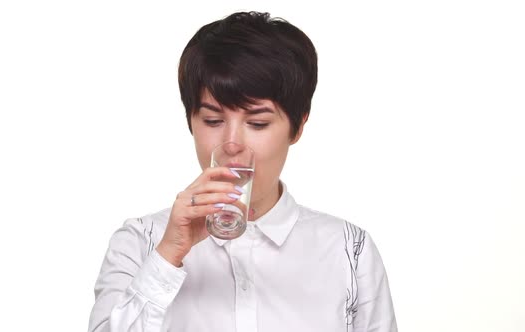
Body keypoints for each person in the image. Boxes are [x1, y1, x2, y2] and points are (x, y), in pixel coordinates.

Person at [88, 11, 397, 332]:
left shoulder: (349, 249)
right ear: (190, 122)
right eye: (212, 120)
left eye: (257, 123)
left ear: (298, 126)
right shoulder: (142, 241)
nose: (232, 143)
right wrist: (167, 257)